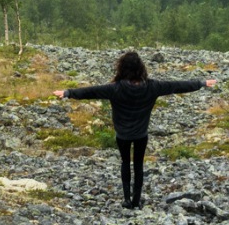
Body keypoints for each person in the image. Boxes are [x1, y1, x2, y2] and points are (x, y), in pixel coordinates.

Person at [53, 50, 216, 209]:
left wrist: (67, 92)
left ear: (122, 68)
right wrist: (201, 83)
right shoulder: (153, 86)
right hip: (140, 134)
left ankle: (126, 199)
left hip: (122, 135)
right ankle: (136, 200)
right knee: (138, 165)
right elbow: (177, 86)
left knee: (125, 162)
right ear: (141, 68)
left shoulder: (115, 88)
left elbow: (91, 91)